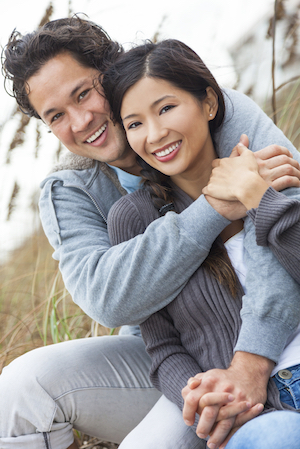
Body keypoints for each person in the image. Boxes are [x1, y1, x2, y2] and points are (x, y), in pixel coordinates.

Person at [1, 16, 300, 449]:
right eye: (57, 116)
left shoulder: (215, 113)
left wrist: (248, 367)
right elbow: (108, 299)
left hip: (270, 340)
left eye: (83, 93)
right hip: (178, 361)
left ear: (111, 74)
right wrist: (214, 206)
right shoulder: (72, 189)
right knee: (18, 389)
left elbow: (278, 241)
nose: (82, 120)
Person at [103, 38, 300, 448]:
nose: (155, 134)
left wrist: (258, 197)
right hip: (255, 409)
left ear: (209, 103)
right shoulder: (134, 218)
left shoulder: (264, 165)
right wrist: (204, 400)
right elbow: (162, 347)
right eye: (135, 123)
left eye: (166, 108)